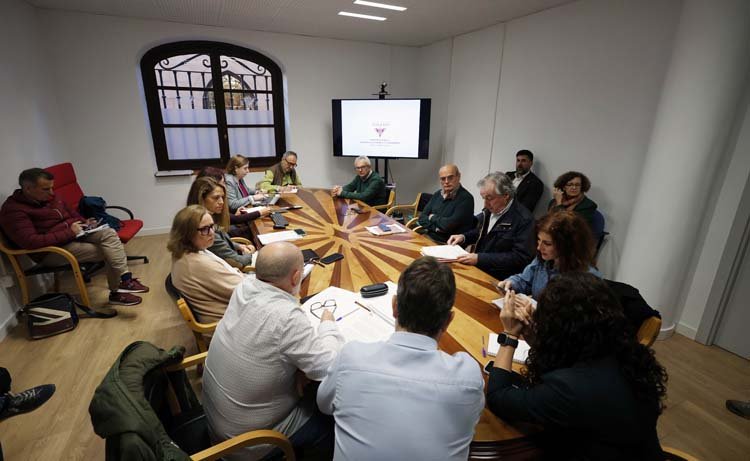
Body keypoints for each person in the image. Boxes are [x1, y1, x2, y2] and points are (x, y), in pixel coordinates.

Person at [317, 256, 484, 461]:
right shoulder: (469, 375)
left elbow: (323, 405)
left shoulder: (351, 356)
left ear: (394, 306)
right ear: (449, 320)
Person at [487, 273, 668, 460]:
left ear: (560, 329)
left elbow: (498, 397)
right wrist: (539, 340)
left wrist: (510, 335)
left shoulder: (569, 389)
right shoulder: (629, 356)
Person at [203, 241, 343, 460]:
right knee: (332, 419)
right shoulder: (286, 317)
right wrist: (328, 325)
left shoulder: (244, 287)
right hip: (248, 444)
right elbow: (328, 368)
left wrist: (298, 369)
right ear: (297, 276)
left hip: (219, 424)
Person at [0, 168, 149, 306]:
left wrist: (86, 222)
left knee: (109, 234)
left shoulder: (51, 197)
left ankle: (126, 279)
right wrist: (69, 232)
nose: (51, 192)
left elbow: (72, 214)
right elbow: (30, 242)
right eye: (46, 189)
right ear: (27, 189)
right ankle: (117, 293)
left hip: (75, 235)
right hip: (51, 251)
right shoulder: (13, 210)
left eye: (52, 187)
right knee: (109, 250)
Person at [447, 172, 534, 280]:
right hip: (479, 270)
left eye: (489, 198)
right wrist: (464, 237)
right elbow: (483, 232)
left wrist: (480, 258)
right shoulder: (490, 210)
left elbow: (519, 258)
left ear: (506, 195)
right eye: (483, 198)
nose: (485, 203)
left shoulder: (524, 219)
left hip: (500, 278)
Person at [497, 210, 600, 299]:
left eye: (547, 243)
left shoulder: (587, 278)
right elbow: (524, 280)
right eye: (538, 240)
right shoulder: (543, 260)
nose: (539, 247)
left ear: (567, 245)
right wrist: (511, 283)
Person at [167, 205, 244, 324]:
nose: (212, 233)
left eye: (212, 226)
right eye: (204, 229)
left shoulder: (185, 252)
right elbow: (246, 292)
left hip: (229, 313)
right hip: (229, 324)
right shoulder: (197, 263)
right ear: (186, 233)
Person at [187, 177, 257, 268]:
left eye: (222, 197)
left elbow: (222, 240)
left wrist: (239, 246)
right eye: (216, 198)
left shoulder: (209, 220)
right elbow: (239, 262)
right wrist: (252, 254)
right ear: (201, 199)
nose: (222, 202)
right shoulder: (206, 230)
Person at [417, 164, 475, 243]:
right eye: (443, 179)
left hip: (447, 243)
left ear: (459, 176)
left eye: (450, 177)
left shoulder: (466, 198)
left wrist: (432, 217)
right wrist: (436, 229)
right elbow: (422, 218)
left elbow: (447, 226)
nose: (446, 182)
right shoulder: (437, 194)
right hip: (429, 236)